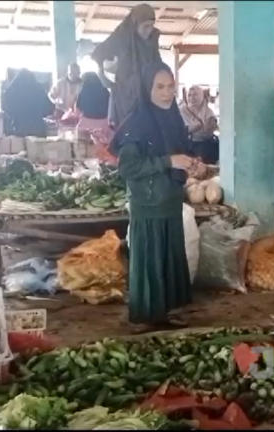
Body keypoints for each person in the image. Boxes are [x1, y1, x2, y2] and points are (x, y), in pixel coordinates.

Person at [109, 61, 200, 329]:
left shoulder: (173, 117)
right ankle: (146, 317)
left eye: (170, 86)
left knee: (168, 257)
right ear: (146, 88)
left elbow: (178, 152)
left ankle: (165, 313)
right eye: (159, 87)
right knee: (150, 259)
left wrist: (191, 163)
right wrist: (168, 162)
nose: (166, 93)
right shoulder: (137, 122)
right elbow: (127, 167)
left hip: (170, 199)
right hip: (147, 203)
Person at [92, 3, 161, 126]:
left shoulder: (152, 40)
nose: (149, 30)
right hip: (125, 100)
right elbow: (100, 59)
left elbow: (159, 65)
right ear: (135, 24)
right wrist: (110, 73)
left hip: (148, 97)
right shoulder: (120, 39)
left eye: (152, 25)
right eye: (145, 26)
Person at [1, 69, 55, 138]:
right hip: (37, 131)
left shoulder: (10, 92)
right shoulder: (38, 89)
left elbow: (6, 110)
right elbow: (49, 109)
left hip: (18, 131)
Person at [180, 85, 219, 164]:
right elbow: (177, 131)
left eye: (195, 95)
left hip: (204, 149)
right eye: (189, 95)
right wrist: (191, 129)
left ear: (201, 96)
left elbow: (208, 133)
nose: (192, 98)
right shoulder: (182, 111)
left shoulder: (208, 113)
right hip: (186, 148)